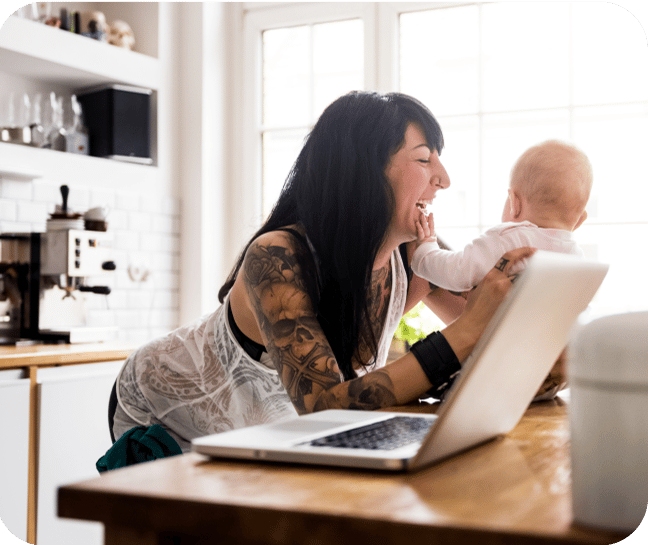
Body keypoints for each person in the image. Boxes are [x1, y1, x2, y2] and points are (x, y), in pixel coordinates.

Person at [110, 91, 535, 454]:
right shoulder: (277, 256)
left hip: (268, 423)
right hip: (163, 407)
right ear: (365, 171)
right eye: (424, 159)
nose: (443, 179)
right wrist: (463, 334)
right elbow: (324, 407)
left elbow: (497, 332)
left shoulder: (417, 257)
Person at [411, 140, 592, 292]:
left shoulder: (508, 239)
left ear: (515, 203)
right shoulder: (578, 260)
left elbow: (456, 272)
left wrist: (426, 249)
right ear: (579, 221)